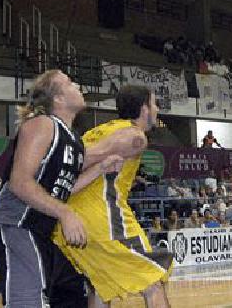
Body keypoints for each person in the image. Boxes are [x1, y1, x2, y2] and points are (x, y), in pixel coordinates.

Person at [0, 69, 133, 307]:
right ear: (58, 98)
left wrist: (100, 168)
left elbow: (61, 190)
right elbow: (19, 182)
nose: (77, 85)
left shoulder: (72, 138)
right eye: (70, 83)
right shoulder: (42, 124)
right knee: (29, 301)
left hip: (39, 230)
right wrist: (65, 212)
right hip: (14, 224)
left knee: (74, 291)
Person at [51, 85, 174, 307]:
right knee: (153, 279)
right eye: (154, 104)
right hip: (103, 218)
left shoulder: (98, 130)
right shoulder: (134, 136)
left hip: (71, 219)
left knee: (100, 286)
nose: (157, 109)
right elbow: (76, 162)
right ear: (144, 108)